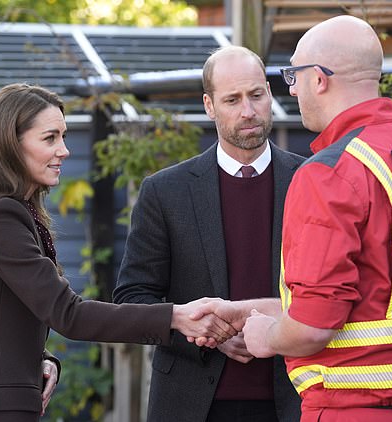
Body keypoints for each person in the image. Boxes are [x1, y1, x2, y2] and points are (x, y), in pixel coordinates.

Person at [216, 15, 392, 422]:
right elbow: (377, 299)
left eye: (294, 76)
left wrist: (265, 336)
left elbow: (314, 325)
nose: (293, 89)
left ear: (319, 79)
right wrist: (251, 310)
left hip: (354, 405)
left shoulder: (331, 173)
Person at [0, 83, 237, 422]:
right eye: (50, 138)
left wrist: (40, 359)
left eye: (63, 136)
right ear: (9, 146)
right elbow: (69, 315)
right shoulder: (2, 217)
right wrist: (176, 317)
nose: (64, 150)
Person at [112, 46, 304, 422]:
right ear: (209, 105)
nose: (248, 111)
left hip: (295, 398)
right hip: (192, 401)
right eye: (232, 99)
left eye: (256, 95)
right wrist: (209, 336)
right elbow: (133, 297)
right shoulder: (165, 192)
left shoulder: (311, 181)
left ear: (269, 92)